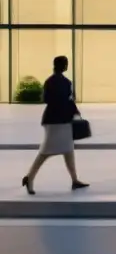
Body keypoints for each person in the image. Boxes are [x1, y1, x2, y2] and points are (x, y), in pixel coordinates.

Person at [22, 55, 89, 195]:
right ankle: (30, 177)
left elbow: (46, 99)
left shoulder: (49, 81)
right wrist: (74, 111)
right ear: (64, 66)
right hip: (61, 121)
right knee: (46, 152)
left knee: (68, 150)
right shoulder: (66, 82)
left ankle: (74, 180)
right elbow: (70, 101)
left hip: (52, 119)